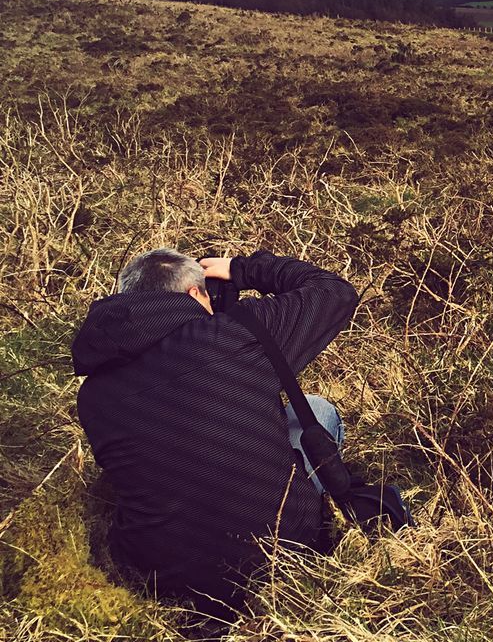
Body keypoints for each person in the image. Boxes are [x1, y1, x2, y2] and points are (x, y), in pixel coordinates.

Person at [72, 248, 357, 617]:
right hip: (282, 550)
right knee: (318, 411)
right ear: (194, 294)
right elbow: (336, 291)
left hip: (163, 577)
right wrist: (241, 269)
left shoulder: (93, 395)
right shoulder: (238, 332)